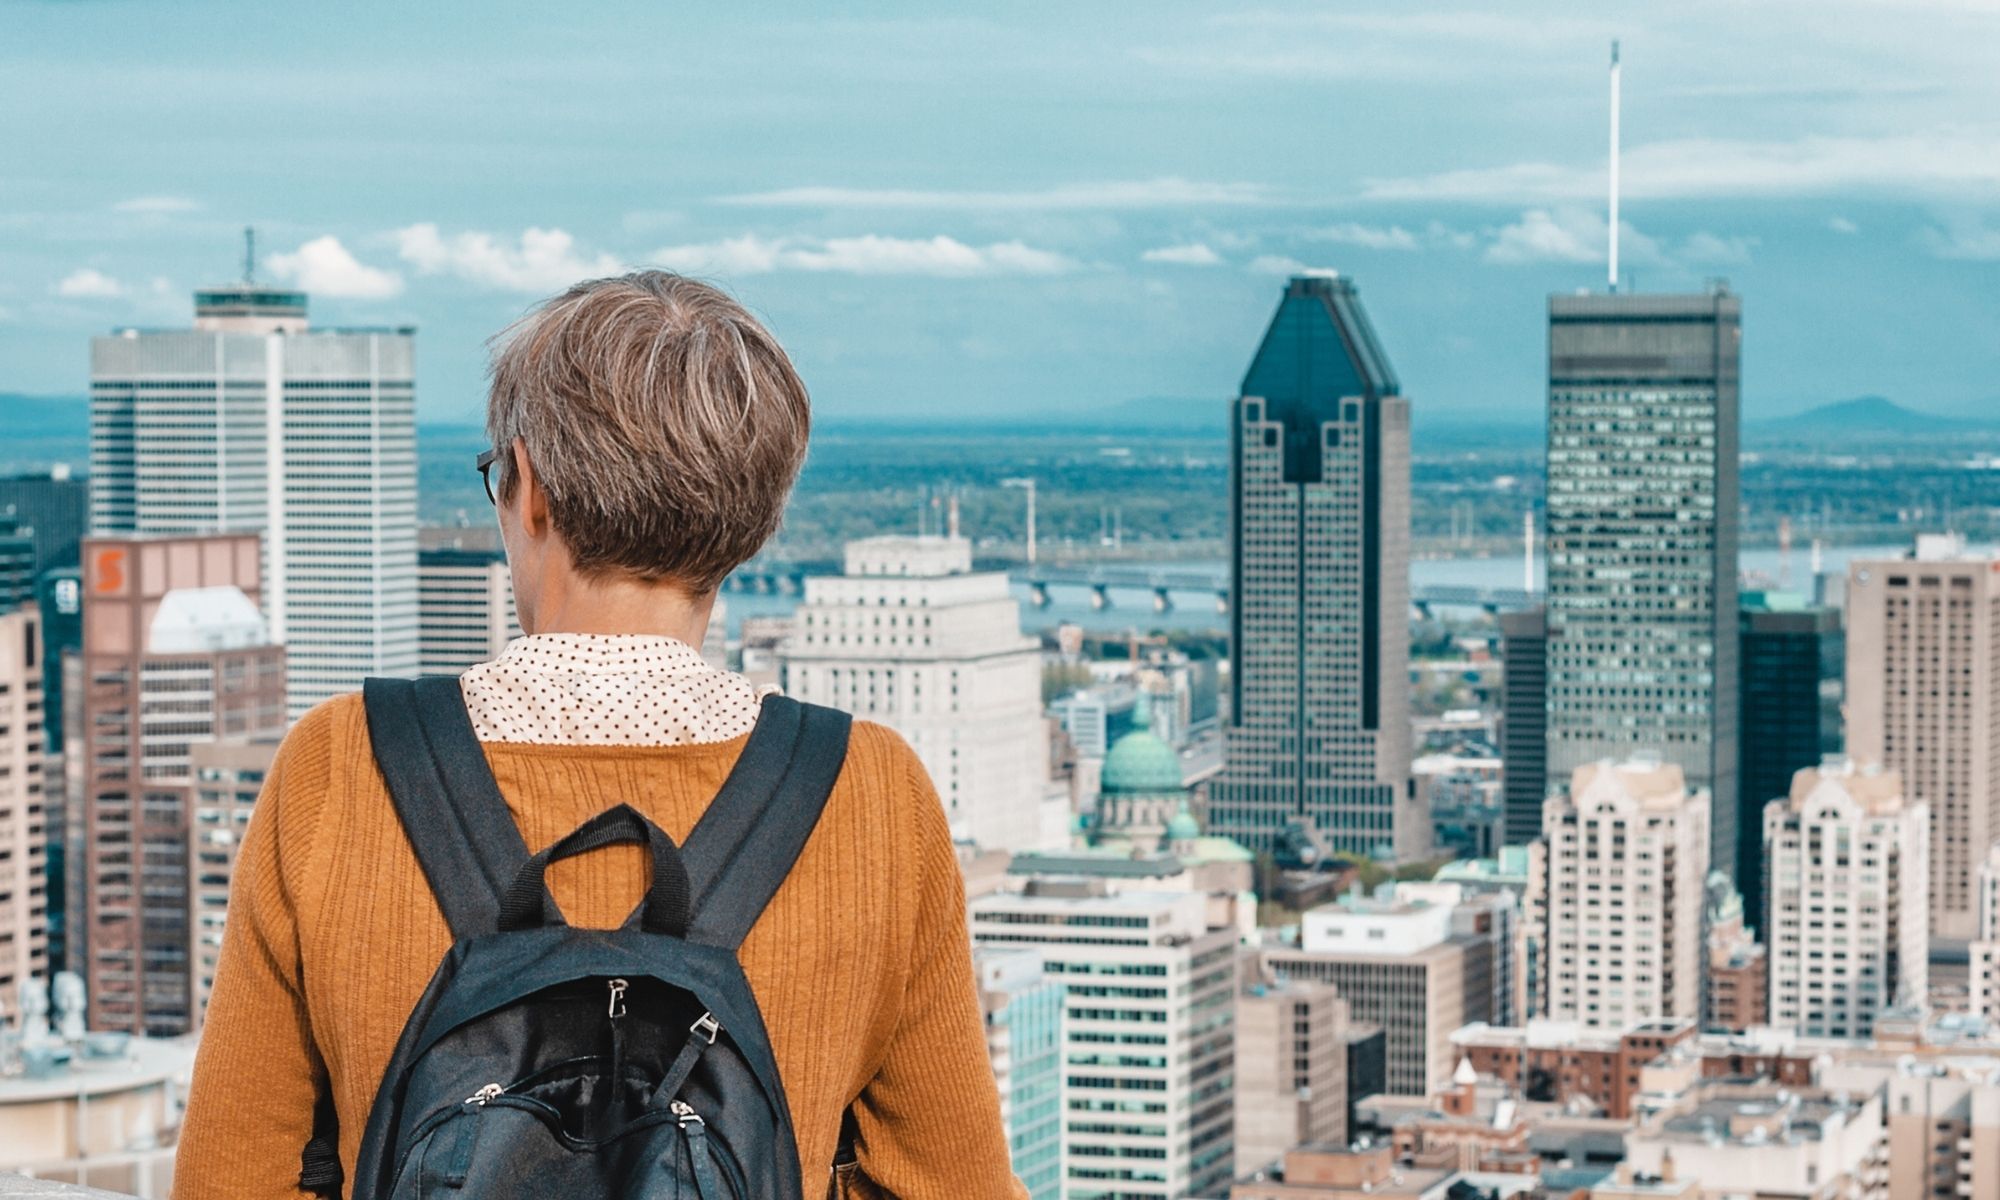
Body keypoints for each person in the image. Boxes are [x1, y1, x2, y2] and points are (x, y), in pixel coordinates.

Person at [175, 271, 1026, 1198]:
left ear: (528, 486)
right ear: (756, 522)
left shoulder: (342, 766)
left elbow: (232, 1177)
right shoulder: (869, 792)